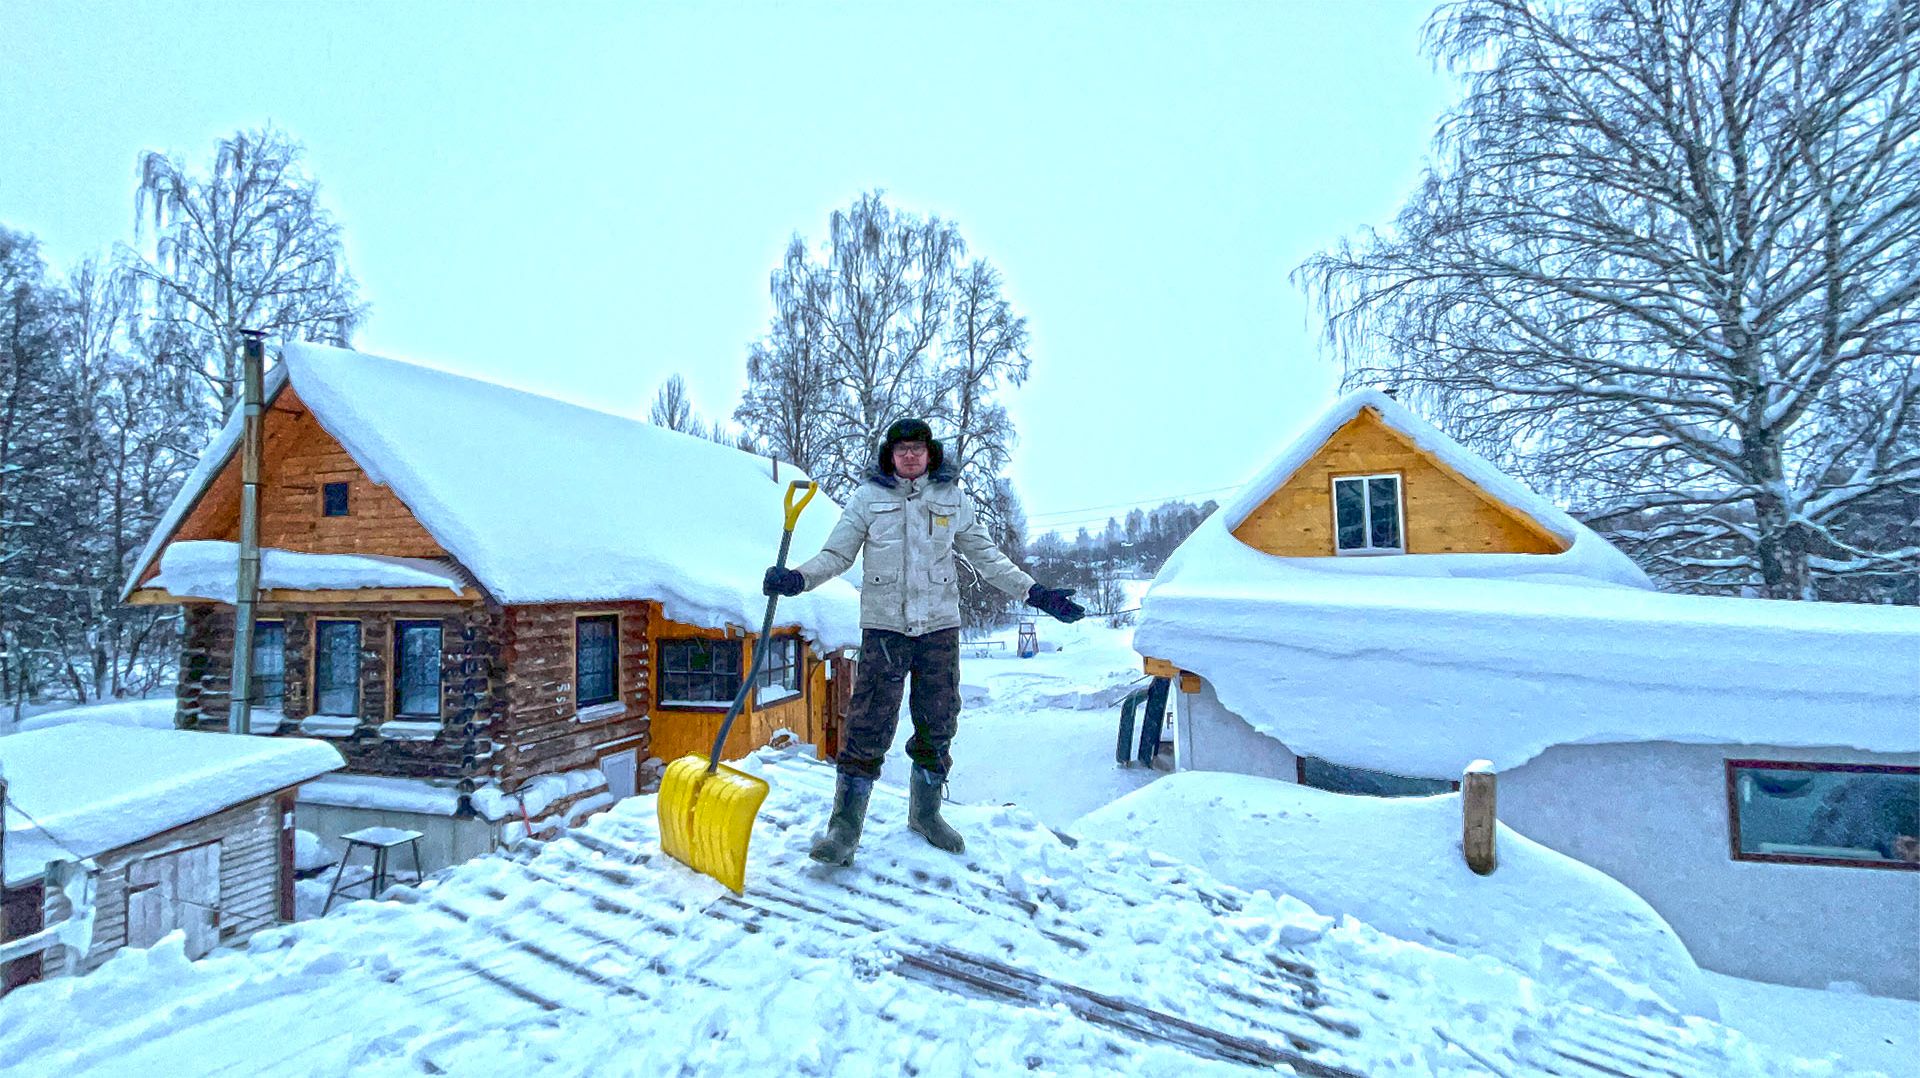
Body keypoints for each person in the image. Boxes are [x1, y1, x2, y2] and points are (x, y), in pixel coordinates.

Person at [763, 418, 1085, 865]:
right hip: (884, 630)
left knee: (939, 718)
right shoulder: (867, 499)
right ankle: (844, 828)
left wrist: (1035, 593)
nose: (910, 456)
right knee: (867, 724)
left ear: (930, 454)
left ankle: (926, 813)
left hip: (938, 629)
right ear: (890, 456)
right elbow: (837, 555)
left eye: (918, 448)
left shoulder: (952, 498)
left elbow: (987, 557)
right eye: (902, 450)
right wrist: (799, 578)